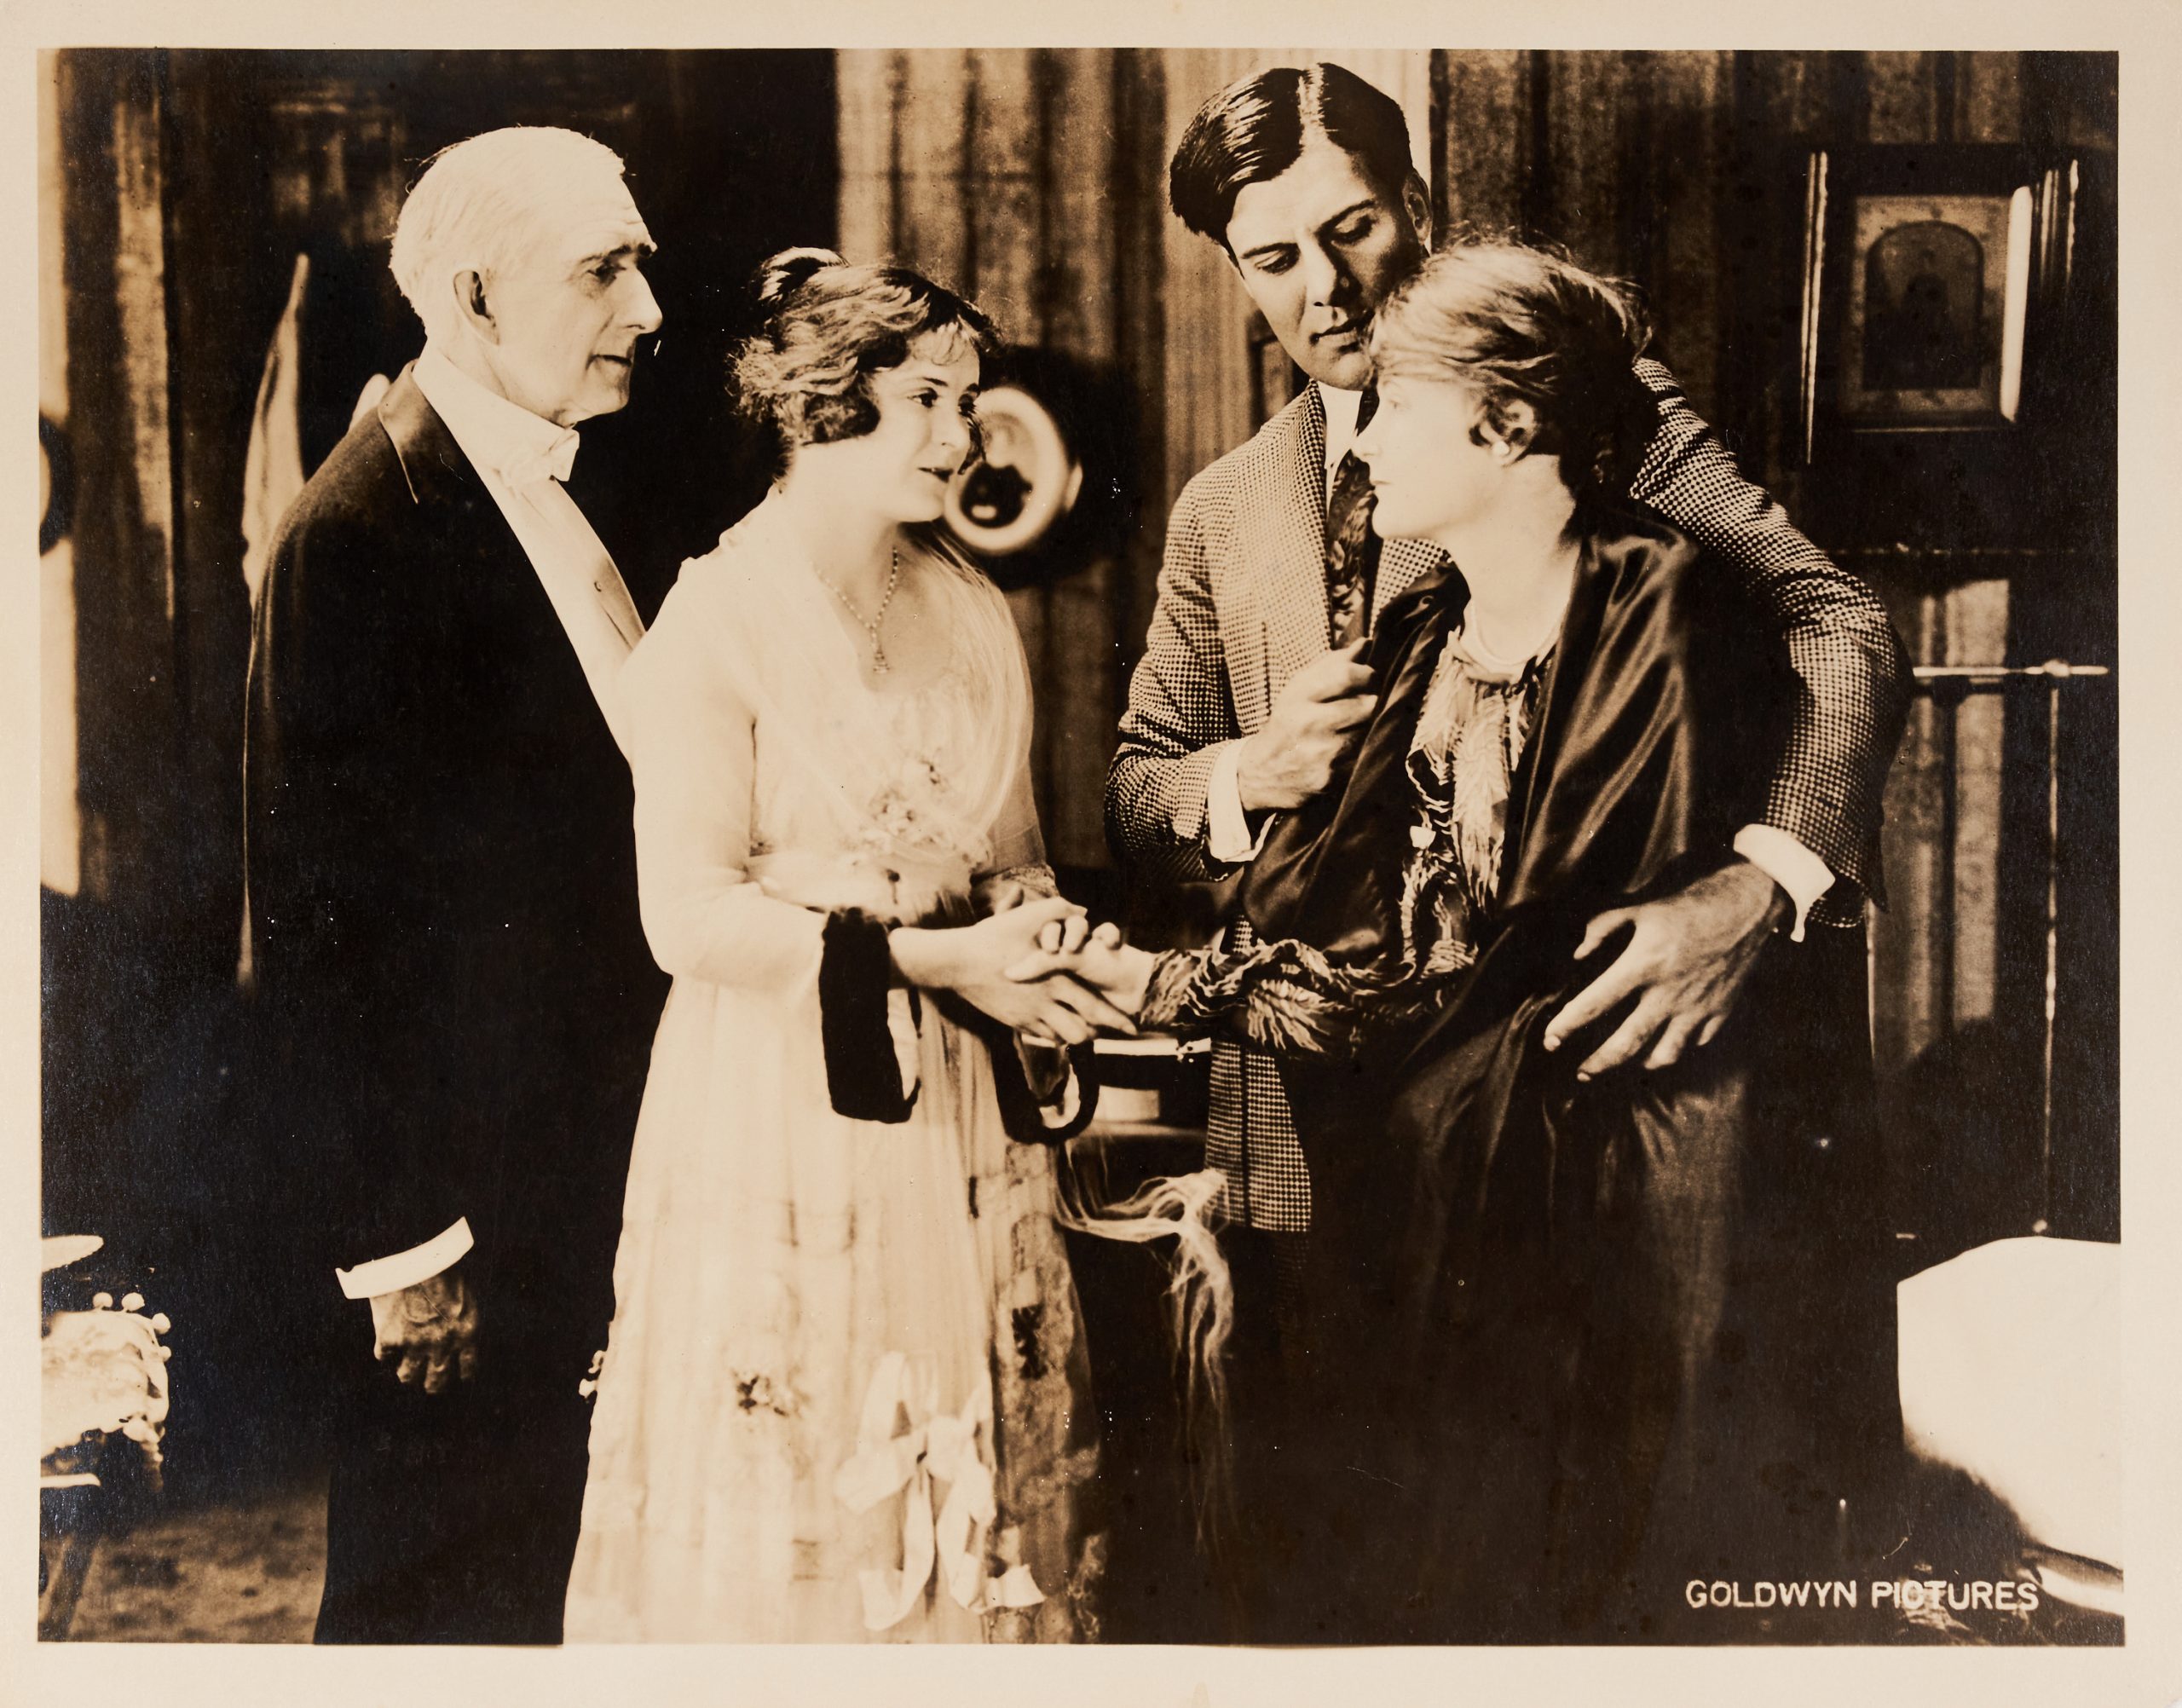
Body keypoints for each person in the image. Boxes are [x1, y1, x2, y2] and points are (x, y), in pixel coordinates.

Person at [1104, 62, 1909, 1636]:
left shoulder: (1593, 408)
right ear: (1233, 271)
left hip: (1555, 1138)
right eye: (1273, 260)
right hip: (1301, 1128)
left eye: (1352, 230)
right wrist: (1238, 771)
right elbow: (1134, 783)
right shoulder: (1225, 507)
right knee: (1347, 1571)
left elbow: (1838, 616)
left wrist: (1771, 876)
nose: (1326, 289)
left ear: (1419, 202)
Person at [562, 251, 1124, 1643]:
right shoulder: (717, 618)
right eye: (927, 399)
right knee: (802, 1483)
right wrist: (929, 963)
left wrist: (1038, 941)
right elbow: (682, 914)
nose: (962, 436)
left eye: (970, 399)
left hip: (958, 1112)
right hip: (784, 1097)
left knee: (971, 1490)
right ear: (824, 406)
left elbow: (1013, 860)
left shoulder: (975, 610)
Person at [245, 127, 672, 1642]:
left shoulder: (547, 487)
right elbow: (315, 939)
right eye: (603, 273)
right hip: (475, 1225)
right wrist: (408, 1253)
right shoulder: (358, 537)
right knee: (433, 1616)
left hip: (584, 1175)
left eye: (642, 266)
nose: (646, 311)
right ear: (479, 298)